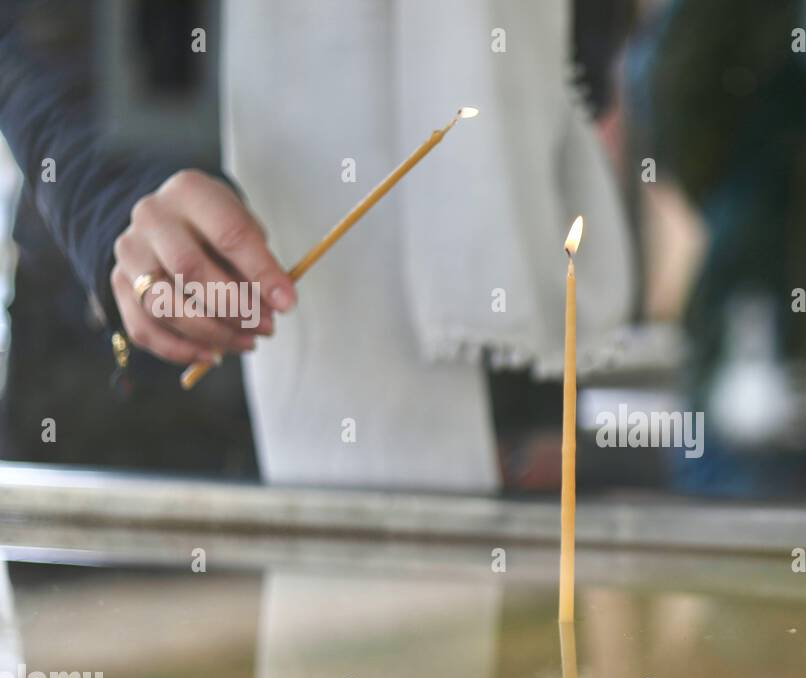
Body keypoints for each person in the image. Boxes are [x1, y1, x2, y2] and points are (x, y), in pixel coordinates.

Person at [1, 0, 636, 494]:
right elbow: (31, 31)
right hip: (150, 390)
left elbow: (582, 46)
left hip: (504, 361)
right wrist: (119, 196)